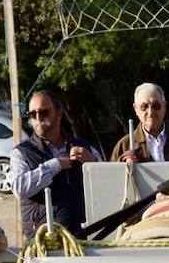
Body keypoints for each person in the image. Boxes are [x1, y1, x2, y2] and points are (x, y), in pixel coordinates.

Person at [10, 89, 102, 239]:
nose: (38, 118)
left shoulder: (83, 146)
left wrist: (93, 162)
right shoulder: (21, 152)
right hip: (44, 239)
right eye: (33, 114)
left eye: (44, 112)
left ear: (59, 113)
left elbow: (107, 182)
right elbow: (19, 188)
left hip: (83, 236)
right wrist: (55, 165)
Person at [109, 83, 169, 164]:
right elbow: (111, 181)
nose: (151, 112)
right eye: (144, 106)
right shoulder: (124, 145)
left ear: (164, 107)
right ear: (136, 109)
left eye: (156, 106)